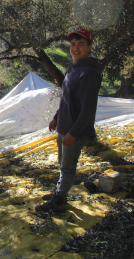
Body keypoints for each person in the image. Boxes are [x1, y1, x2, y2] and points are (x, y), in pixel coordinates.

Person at [35, 29, 102, 212]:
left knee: (67, 167)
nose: (75, 48)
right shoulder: (73, 69)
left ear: (89, 47)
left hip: (75, 130)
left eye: (81, 44)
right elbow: (67, 99)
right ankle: (59, 191)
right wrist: (57, 118)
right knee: (62, 162)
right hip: (64, 127)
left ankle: (60, 200)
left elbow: (88, 110)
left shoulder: (88, 72)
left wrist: (73, 132)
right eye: (73, 44)